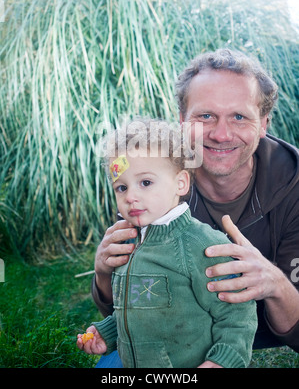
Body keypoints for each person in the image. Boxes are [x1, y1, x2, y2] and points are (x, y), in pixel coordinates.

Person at [91, 49, 299, 367]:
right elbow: (135, 308)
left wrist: (275, 282)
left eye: (239, 117)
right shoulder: (148, 177)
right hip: (174, 342)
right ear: (182, 121)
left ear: (263, 124)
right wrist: (104, 274)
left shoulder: (295, 186)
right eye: (205, 116)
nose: (220, 134)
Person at [77, 118, 257, 368]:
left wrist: (223, 361)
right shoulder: (128, 242)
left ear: (180, 183)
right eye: (121, 187)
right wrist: (107, 332)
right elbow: (137, 305)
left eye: (146, 183)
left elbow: (238, 314)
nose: (130, 196)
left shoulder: (201, 244)